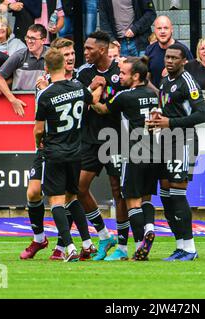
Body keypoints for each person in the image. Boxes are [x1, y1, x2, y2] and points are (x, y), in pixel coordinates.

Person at [30, 37, 97, 261]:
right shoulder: (78, 86)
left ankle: (68, 248)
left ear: (48, 67)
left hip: (54, 151)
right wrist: (98, 86)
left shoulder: (46, 93)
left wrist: (39, 141)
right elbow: (91, 100)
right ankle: (88, 243)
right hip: (75, 151)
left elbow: (38, 129)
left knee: (56, 201)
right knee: (72, 198)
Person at [91, 56, 160, 261]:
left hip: (134, 151)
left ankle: (139, 245)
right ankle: (149, 227)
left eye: (123, 73)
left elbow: (103, 109)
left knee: (132, 200)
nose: (119, 76)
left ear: (136, 76)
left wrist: (94, 97)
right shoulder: (153, 94)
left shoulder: (124, 96)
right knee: (147, 196)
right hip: (155, 151)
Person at [147, 44, 205, 261]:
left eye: (174, 58)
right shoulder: (165, 81)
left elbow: (203, 115)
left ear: (184, 61)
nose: (169, 61)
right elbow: (167, 109)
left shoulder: (188, 82)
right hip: (165, 141)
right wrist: (157, 118)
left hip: (183, 141)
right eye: (167, 57)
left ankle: (190, 248)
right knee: (165, 195)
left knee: (177, 192)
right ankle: (180, 245)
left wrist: (169, 122)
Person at [76, 31, 124, 261]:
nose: (85, 52)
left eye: (89, 49)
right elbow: (80, 106)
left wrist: (94, 98)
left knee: (118, 191)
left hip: (115, 138)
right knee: (79, 187)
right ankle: (105, 236)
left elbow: (115, 107)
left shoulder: (120, 72)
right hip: (90, 138)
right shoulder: (84, 73)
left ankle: (123, 246)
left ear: (102, 50)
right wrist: (92, 90)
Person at [0, 24, 48, 117]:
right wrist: (13, 100)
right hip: (22, 104)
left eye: (33, 38)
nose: (29, 41)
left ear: (43, 40)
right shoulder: (19, 55)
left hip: (45, 103)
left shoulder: (51, 55)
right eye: (27, 37)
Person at [145, 15, 193, 89]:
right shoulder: (149, 50)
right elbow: (146, 78)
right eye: (159, 28)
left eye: (166, 28)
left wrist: (176, 70)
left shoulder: (182, 49)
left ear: (172, 30)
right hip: (157, 97)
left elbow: (192, 76)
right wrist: (158, 94)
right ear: (155, 31)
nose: (162, 31)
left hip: (178, 96)